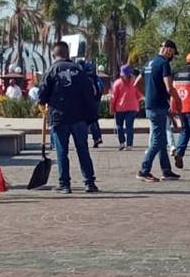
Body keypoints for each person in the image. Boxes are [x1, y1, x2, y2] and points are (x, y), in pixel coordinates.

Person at [36, 41, 99, 194]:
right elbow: (90, 93)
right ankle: (89, 182)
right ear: (68, 53)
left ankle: (65, 184)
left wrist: (43, 102)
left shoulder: (51, 70)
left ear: (53, 55)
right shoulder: (79, 70)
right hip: (79, 118)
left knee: (61, 151)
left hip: (59, 118)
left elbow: (42, 95)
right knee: (83, 149)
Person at [135, 39, 182, 182]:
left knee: (160, 140)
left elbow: (136, 83)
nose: (172, 56)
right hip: (159, 106)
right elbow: (169, 87)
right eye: (173, 52)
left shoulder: (149, 63)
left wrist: (147, 95)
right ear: (168, 49)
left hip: (151, 105)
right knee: (158, 140)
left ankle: (166, 171)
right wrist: (178, 100)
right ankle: (144, 170)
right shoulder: (164, 64)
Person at [110, 64, 141, 150]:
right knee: (129, 126)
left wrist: (111, 108)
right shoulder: (135, 82)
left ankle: (122, 143)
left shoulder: (117, 83)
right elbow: (139, 95)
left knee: (119, 125)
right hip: (132, 107)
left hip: (120, 108)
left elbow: (113, 97)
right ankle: (129, 145)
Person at [78, 59, 104, 148]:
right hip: (96, 100)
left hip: (87, 102)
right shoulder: (95, 76)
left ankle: (85, 140)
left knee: (85, 121)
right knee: (94, 119)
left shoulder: (83, 76)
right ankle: (97, 137)